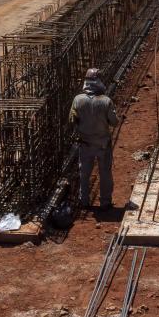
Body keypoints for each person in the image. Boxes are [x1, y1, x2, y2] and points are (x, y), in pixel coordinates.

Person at [69, 68, 119, 211]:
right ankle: (105, 202)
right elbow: (114, 122)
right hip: (103, 144)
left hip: (85, 143)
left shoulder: (77, 100)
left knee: (84, 174)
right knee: (105, 173)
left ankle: (84, 201)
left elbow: (72, 120)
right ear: (98, 82)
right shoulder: (106, 101)